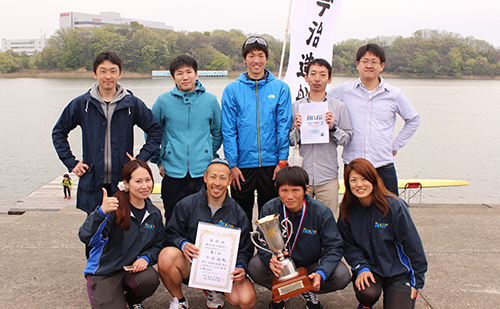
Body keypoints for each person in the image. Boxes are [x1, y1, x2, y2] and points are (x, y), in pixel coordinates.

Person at [52, 50, 162, 214]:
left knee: (124, 230)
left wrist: (140, 160)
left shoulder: (132, 104)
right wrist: (71, 162)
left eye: (113, 71)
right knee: (95, 232)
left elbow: (155, 130)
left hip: (123, 180)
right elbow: (59, 132)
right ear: (95, 74)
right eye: (103, 71)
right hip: (93, 180)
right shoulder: (82, 104)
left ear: (120, 74)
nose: (108, 76)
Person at [158, 158, 256, 309]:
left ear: (230, 180)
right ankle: (179, 300)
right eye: (213, 177)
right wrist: (183, 244)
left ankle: (215, 289)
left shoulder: (238, 213)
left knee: (246, 300)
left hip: (223, 271)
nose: (217, 183)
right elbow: (171, 233)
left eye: (223, 178)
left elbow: (245, 248)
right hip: (192, 265)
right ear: (205, 177)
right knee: (166, 256)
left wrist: (241, 266)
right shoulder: (186, 204)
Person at [248, 166, 350, 309]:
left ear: (306, 189)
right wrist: (270, 259)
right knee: (255, 266)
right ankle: (281, 291)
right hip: (282, 266)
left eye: (295, 190)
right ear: (277, 190)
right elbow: (263, 242)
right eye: (284, 191)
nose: (290, 196)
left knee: (341, 275)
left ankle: (307, 289)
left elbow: (334, 247)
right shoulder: (269, 209)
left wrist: (321, 273)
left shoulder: (321, 212)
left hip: (311, 264)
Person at [328, 43, 420, 196]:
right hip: (353, 165)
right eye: (365, 61)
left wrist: (395, 145)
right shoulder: (345, 90)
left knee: (389, 211)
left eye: (374, 61)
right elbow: (322, 103)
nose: (369, 65)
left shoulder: (394, 94)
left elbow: (413, 120)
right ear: (358, 64)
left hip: (382, 164)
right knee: (354, 213)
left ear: (382, 66)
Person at [337, 158, 428, 309]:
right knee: (367, 294)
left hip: (399, 272)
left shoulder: (394, 206)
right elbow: (347, 244)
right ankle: (365, 305)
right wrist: (361, 267)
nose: (359, 184)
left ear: (373, 179)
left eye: (364, 179)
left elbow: (413, 244)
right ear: (348, 184)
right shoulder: (347, 209)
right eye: (353, 180)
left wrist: (417, 280)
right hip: (371, 268)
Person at [221, 36, 292, 223]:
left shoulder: (281, 88)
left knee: (270, 215)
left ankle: (269, 251)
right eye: (251, 55)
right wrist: (232, 164)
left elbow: (283, 126)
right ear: (244, 59)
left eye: (261, 55)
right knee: (239, 215)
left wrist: (282, 160)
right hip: (242, 166)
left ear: (266, 58)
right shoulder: (232, 90)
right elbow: (229, 130)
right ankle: (243, 251)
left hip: (272, 165)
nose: (256, 60)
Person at [79, 160, 165, 309]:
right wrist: (101, 213)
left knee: (150, 279)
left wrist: (146, 258)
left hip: (129, 270)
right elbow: (86, 237)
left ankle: (132, 300)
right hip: (105, 272)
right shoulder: (113, 209)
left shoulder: (154, 213)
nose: (145, 186)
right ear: (126, 183)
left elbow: (159, 244)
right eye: (138, 181)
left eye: (148, 180)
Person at [151, 55, 222, 223]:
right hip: (173, 171)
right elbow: (153, 133)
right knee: (173, 218)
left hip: (202, 172)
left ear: (196, 74)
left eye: (189, 72)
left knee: (204, 219)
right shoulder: (163, 102)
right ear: (173, 77)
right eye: (179, 73)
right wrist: (159, 160)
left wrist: (208, 153)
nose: (185, 77)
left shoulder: (210, 100)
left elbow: (218, 132)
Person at [290, 58, 352, 218]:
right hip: (302, 176)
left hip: (328, 176)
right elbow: (290, 140)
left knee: (329, 221)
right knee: (301, 221)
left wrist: (333, 128)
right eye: (313, 74)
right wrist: (298, 129)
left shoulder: (338, 107)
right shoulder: (296, 107)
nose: (317, 79)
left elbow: (347, 139)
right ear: (306, 77)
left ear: (329, 79)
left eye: (322, 75)